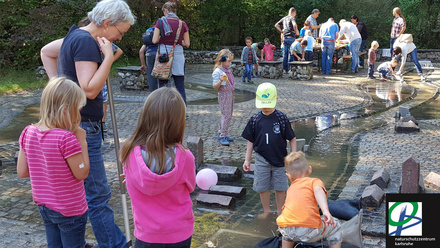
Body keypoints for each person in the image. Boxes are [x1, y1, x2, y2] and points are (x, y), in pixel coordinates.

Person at [40, 1, 136, 247]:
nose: (120, 37)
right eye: (120, 32)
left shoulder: (74, 35)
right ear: (106, 23)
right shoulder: (85, 42)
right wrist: (107, 58)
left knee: (79, 190)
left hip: (73, 123)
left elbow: (46, 51)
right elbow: (89, 89)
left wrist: (60, 89)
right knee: (98, 195)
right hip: (84, 127)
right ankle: (115, 244)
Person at [17, 77, 90, 248]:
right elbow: (82, 173)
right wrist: (83, 142)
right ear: (66, 109)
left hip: (45, 208)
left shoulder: (27, 132)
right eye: (77, 109)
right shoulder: (66, 138)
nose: (79, 115)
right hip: (71, 210)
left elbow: (22, 171)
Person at [120, 87, 195, 248]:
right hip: (179, 233)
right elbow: (190, 186)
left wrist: (132, 178)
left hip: (147, 235)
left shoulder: (129, 153)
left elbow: (144, 179)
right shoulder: (185, 156)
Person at [242, 83, 297, 215]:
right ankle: (266, 211)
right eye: (263, 104)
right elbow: (250, 140)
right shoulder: (255, 120)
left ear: (276, 100)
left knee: (280, 187)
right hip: (261, 159)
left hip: (280, 160)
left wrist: (293, 157)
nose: (265, 107)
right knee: (262, 187)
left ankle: (280, 211)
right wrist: (247, 160)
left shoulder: (282, 119)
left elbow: (292, 138)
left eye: (268, 104)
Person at [277, 152, 341, 248]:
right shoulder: (314, 181)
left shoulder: (291, 188)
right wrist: (325, 211)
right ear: (310, 169)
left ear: (289, 176)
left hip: (285, 227)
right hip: (307, 230)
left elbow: (285, 209)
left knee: (287, 231)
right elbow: (318, 190)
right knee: (335, 226)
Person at [152, 1, 190, 103]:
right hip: (178, 55)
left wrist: (163, 39)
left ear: (166, 11)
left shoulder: (160, 22)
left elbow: (154, 40)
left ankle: (163, 109)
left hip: (164, 56)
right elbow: (187, 43)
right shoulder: (182, 24)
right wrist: (177, 41)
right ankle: (183, 111)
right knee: (179, 84)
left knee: (163, 85)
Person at [212, 49, 235, 146]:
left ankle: (224, 133)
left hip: (229, 94)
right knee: (225, 115)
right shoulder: (218, 71)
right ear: (222, 60)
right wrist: (220, 81)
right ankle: (222, 135)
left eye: (231, 61)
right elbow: (215, 87)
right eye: (229, 61)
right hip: (224, 94)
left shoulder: (227, 70)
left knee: (228, 115)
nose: (230, 63)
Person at [275, 7, 299, 73]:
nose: (295, 15)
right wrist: (295, 31)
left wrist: (281, 31)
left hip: (285, 38)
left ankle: (284, 69)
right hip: (291, 37)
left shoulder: (284, 18)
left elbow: (276, 25)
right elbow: (294, 24)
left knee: (285, 54)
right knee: (291, 53)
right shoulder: (292, 18)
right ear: (293, 12)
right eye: (295, 14)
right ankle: (289, 69)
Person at [139, 22, 159, 92]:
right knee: (161, 76)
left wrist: (143, 65)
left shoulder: (148, 32)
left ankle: (153, 96)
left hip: (149, 55)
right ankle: (162, 96)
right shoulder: (160, 30)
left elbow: (141, 51)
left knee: (151, 78)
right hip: (159, 54)